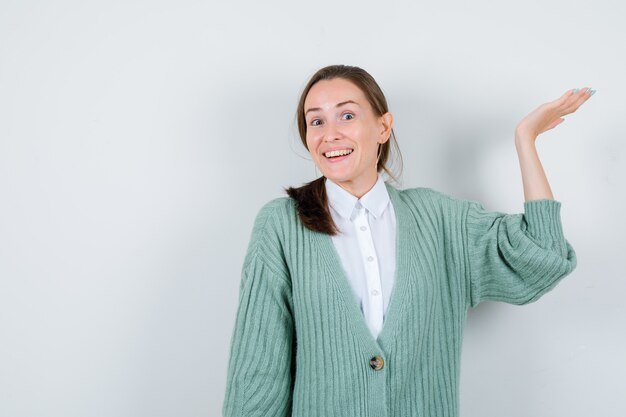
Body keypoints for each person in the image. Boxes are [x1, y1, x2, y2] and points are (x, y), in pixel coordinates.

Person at [222, 65, 592, 417]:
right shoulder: (281, 226)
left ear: (383, 127)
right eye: (316, 120)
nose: (330, 133)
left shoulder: (442, 220)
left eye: (347, 116)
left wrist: (526, 140)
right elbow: (258, 370)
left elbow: (544, 255)